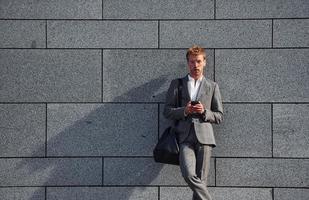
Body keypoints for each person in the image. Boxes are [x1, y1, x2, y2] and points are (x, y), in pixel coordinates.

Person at [163, 45, 223, 200]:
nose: (195, 65)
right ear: (187, 63)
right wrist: (185, 110)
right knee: (189, 174)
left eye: (198, 61)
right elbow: (167, 111)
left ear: (204, 62)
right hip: (184, 137)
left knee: (201, 181)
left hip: (205, 138)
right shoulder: (177, 84)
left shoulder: (212, 86)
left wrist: (204, 111)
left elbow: (219, 116)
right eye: (191, 62)